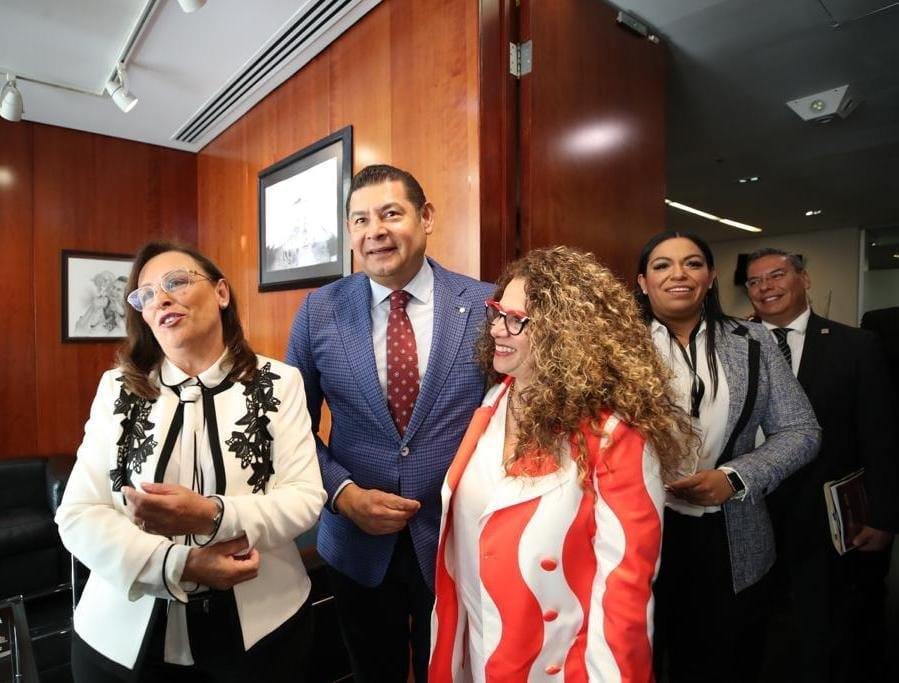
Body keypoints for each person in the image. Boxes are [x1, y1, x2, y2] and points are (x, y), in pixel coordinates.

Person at [56, 241, 326, 681]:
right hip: (123, 637)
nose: (160, 298)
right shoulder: (117, 390)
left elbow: (304, 498)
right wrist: (178, 565)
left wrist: (211, 515)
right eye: (145, 295)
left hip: (264, 629)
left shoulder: (281, 382)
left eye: (176, 282)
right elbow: (78, 514)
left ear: (221, 293)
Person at [429, 246, 695, 682]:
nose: (498, 328)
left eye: (517, 319)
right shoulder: (495, 400)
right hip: (479, 653)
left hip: (555, 667)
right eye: (498, 312)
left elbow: (623, 595)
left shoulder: (615, 435)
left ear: (567, 335)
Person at [286, 164, 494, 682]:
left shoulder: (486, 305)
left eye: (390, 214)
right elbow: (290, 429)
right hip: (355, 542)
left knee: (450, 671)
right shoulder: (319, 311)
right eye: (360, 220)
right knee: (370, 671)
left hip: (458, 539)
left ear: (426, 217)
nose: (374, 230)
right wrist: (343, 494)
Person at [635, 231, 820, 683]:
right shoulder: (612, 349)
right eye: (662, 265)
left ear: (711, 277)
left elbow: (802, 429)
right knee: (638, 659)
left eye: (693, 263)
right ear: (642, 282)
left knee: (726, 659)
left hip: (731, 534)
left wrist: (736, 477)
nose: (678, 273)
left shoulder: (754, 341)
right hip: (636, 530)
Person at [745, 248, 899, 682]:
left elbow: (880, 435)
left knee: (834, 629)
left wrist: (884, 516)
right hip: (751, 509)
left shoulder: (856, 346)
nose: (765, 287)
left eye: (776, 276)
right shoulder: (729, 344)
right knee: (760, 627)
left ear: (804, 280)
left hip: (829, 516)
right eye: (754, 282)